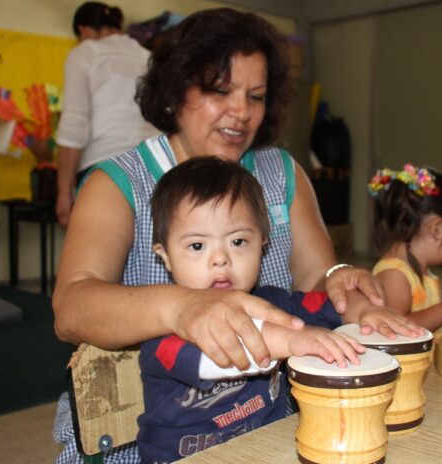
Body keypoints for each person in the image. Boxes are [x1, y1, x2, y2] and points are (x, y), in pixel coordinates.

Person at [52, 7, 387, 463]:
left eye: (256, 95)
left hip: (265, 419)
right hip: (145, 436)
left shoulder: (281, 171)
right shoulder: (119, 182)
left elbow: (317, 276)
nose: (241, 113)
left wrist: (344, 280)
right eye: (219, 90)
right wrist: (181, 306)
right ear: (174, 92)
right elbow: (71, 307)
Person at [139, 156, 422, 462]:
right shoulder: (166, 329)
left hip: (268, 448)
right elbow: (227, 352)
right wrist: (292, 340)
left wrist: (364, 310)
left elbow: (330, 304)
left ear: (262, 243)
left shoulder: (273, 304)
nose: (220, 259)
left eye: (237, 241)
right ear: (164, 255)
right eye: (197, 246)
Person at [54, 1, 160, 227]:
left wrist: (64, 193)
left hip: (105, 171)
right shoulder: (148, 57)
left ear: (83, 31)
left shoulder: (85, 53)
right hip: (154, 168)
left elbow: (74, 124)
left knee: (101, 257)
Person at [368, 164, 442, 331]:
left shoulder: (419, 272)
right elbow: (394, 327)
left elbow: (425, 322)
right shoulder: (394, 275)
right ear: (437, 229)